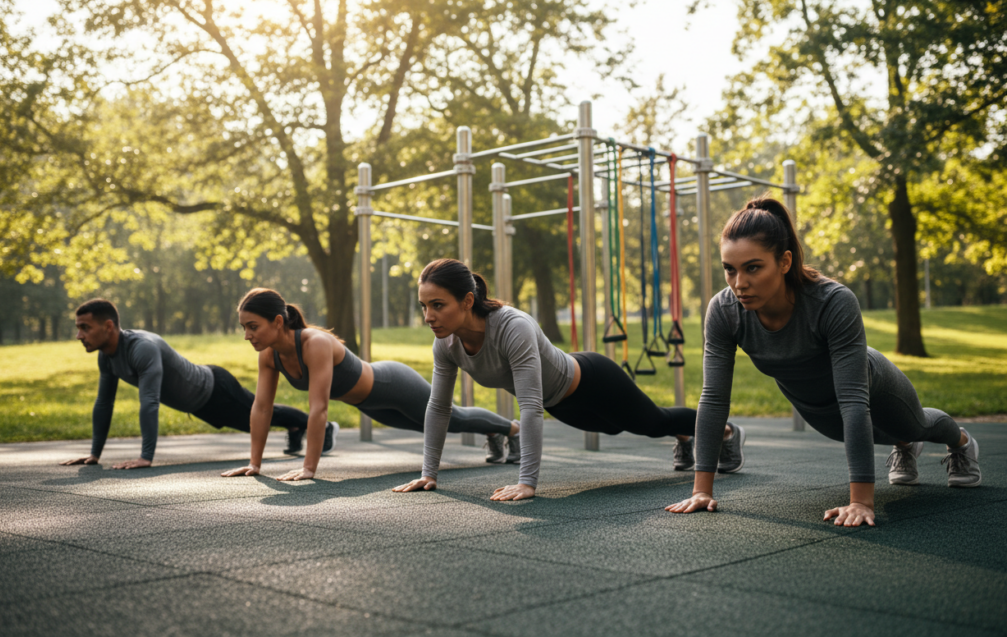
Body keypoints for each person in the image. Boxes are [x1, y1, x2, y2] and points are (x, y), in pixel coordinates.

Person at [666, 197, 981, 527]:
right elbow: (714, 400)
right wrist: (701, 491)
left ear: (784, 262)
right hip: (815, 405)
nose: (739, 283)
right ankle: (903, 446)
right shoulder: (723, 311)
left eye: (753, 267)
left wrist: (860, 501)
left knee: (917, 426)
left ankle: (959, 442)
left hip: (870, 383)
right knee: (868, 433)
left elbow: (853, 400)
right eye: (730, 269)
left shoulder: (833, 301)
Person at [392, 258, 746, 501]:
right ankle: (685, 437)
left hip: (592, 379)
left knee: (652, 422)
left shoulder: (512, 327)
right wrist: (429, 473)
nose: (429, 316)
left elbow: (529, 406)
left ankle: (726, 432)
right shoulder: (446, 345)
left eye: (437, 305)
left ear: (467, 300)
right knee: (613, 429)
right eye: (424, 307)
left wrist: (526, 482)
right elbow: (439, 407)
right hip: (560, 402)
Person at [221, 288, 520, 481]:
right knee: (430, 426)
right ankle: (494, 430)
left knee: (452, 419)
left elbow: (319, 410)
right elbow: (261, 409)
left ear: (276, 321)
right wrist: (255, 464)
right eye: (244, 328)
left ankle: (511, 429)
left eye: (252, 326)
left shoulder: (315, 344)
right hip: (368, 403)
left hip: (393, 384)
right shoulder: (269, 357)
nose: (247, 335)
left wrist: (309, 469)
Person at [60, 298, 324, 470]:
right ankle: (296, 424)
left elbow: (149, 401)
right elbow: (104, 403)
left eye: (84, 327)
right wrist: (94, 454)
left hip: (216, 388)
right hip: (200, 405)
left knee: (263, 415)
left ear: (108, 326)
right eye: (78, 328)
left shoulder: (142, 348)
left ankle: (321, 427)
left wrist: (146, 458)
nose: (78, 335)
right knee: (251, 424)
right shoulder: (107, 359)